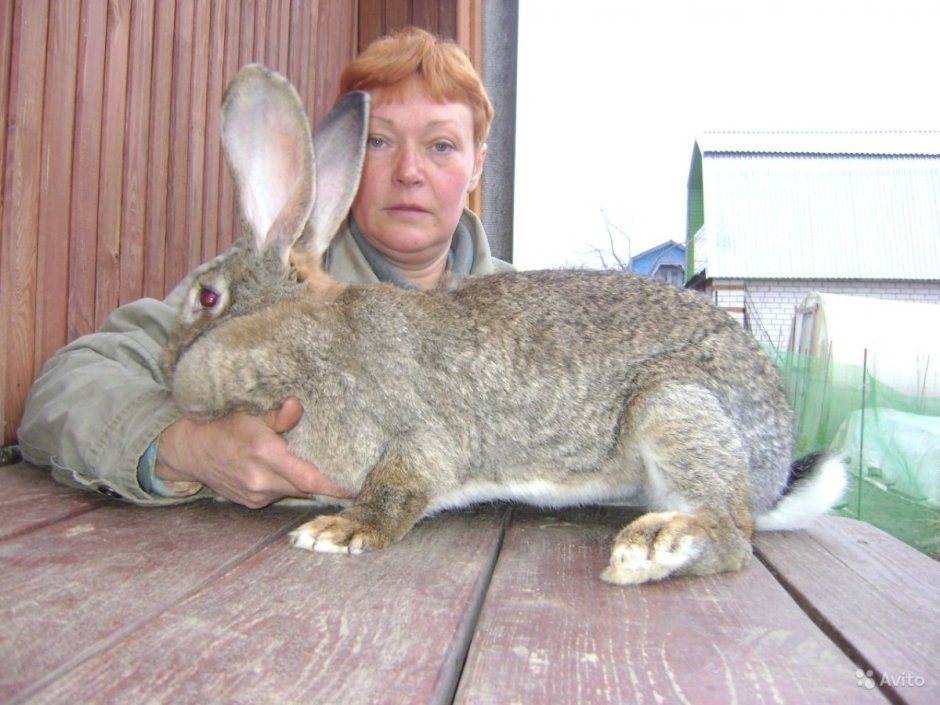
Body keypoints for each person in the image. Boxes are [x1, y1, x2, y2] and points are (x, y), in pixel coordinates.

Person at [17, 27, 513, 508]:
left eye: (441, 146)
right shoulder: (262, 285)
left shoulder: (528, 319)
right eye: (379, 142)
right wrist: (184, 446)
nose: (409, 171)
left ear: (477, 165)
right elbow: (68, 384)